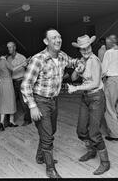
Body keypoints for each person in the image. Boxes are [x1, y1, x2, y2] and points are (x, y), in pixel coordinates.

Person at [21, 28, 82, 178]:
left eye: (59, 37)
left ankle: (40, 156)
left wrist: (79, 64)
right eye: (54, 38)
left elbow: (73, 61)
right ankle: (50, 169)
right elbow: (25, 85)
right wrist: (33, 106)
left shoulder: (61, 56)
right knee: (48, 135)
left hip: (53, 101)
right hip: (40, 101)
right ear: (46, 41)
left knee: (50, 130)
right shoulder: (38, 59)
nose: (58, 40)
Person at [67, 35, 110, 175]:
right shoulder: (81, 60)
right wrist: (77, 70)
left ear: (91, 46)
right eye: (82, 49)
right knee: (81, 131)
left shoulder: (95, 61)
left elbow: (96, 83)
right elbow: (73, 78)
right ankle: (92, 151)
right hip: (86, 98)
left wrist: (76, 88)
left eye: (88, 48)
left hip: (97, 97)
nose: (85, 51)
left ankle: (105, 163)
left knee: (94, 133)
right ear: (79, 50)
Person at [0, 47, 27, 131]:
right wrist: (23, 63)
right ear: (6, 54)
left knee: (3, 102)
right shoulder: (5, 62)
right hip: (7, 82)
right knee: (11, 101)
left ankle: (2, 122)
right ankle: (11, 121)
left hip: (1, 82)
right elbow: (13, 68)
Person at [7, 42, 32, 126]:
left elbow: (28, 69)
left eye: (10, 47)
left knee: (24, 102)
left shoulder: (21, 57)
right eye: (8, 47)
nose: (9, 49)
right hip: (12, 83)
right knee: (11, 101)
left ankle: (28, 120)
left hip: (21, 81)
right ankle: (9, 121)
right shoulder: (8, 59)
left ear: (14, 47)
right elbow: (9, 71)